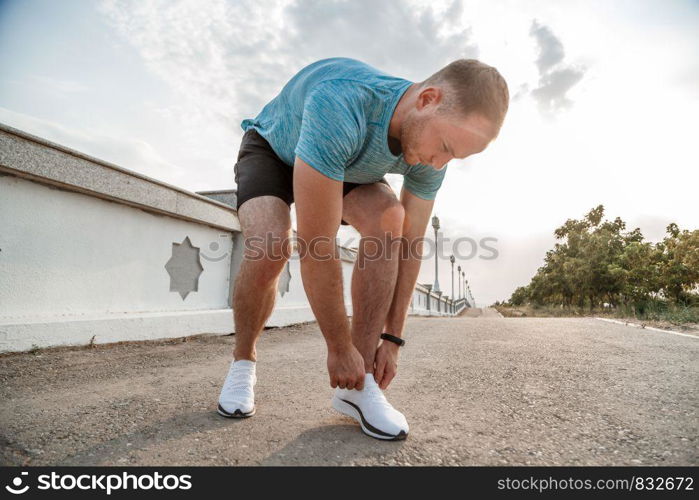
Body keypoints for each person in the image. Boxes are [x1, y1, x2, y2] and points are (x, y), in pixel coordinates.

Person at [217, 57, 508, 440]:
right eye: (445, 147)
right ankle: (243, 363)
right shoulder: (341, 103)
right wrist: (338, 347)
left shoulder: (433, 149)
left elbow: (410, 245)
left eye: (454, 157)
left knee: (390, 218)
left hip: (344, 163)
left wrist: (393, 339)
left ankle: (358, 386)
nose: (440, 163)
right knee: (271, 246)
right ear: (428, 99)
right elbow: (316, 245)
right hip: (274, 147)